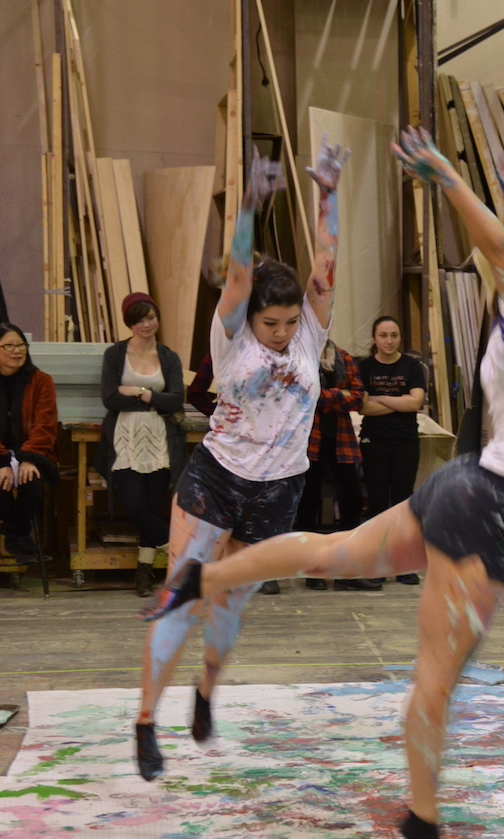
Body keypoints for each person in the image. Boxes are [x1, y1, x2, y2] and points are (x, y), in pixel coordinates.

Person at [142, 130, 504, 839]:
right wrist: (452, 178)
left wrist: (500, 195)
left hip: (461, 492)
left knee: (329, 552)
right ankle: (420, 816)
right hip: (484, 514)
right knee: (435, 681)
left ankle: (203, 581)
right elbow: (500, 251)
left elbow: (495, 252)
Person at [133, 141, 348, 781]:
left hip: (278, 492)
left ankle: (205, 689)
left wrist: (327, 193)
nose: (282, 332)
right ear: (249, 318)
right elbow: (234, 275)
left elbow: (327, 266)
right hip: (216, 479)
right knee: (180, 597)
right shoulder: (229, 341)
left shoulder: (310, 332)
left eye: (289, 322)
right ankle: (146, 721)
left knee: (227, 609)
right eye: (271, 323)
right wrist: (252, 200)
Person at [97, 293, 187, 596]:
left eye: (150, 317)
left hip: (160, 438)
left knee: (152, 505)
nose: (146, 324)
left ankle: (144, 572)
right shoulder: (115, 354)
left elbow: (177, 399)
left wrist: (140, 392)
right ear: (130, 324)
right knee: (134, 505)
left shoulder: (169, 356)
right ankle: (180, 555)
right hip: (125, 436)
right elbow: (109, 397)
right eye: (138, 320)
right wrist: (152, 398)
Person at [0, 323, 58, 560]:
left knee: (32, 481)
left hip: (30, 451)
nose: (18, 351)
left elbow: (45, 424)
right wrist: (0, 461)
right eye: (9, 346)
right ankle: (22, 534)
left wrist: (29, 458)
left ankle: (14, 533)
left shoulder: (41, 381)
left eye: (21, 345)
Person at [188, 354, 278, 597]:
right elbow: (195, 392)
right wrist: (222, 416)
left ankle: (263, 572)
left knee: (264, 507)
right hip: (229, 447)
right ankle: (229, 572)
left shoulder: (277, 356)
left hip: (267, 445)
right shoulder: (224, 351)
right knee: (229, 509)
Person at [297, 336, 373, 591]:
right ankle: (313, 570)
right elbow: (303, 396)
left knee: (351, 499)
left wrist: (324, 397)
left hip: (340, 440)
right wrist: (339, 395)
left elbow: (359, 397)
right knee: (308, 505)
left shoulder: (343, 356)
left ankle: (345, 570)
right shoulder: (300, 357)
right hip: (310, 441)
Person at [358, 315, 427, 586]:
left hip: (406, 441)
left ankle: (403, 563)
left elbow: (416, 404)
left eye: (394, 335)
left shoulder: (412, 366)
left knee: (403, 503)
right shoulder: (364, 367)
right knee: (376, 502)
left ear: (400, 338)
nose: (389, 340)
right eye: (384, 335)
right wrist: (401, 400)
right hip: (374, 441)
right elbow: (363, 407)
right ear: (374, 338)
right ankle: (376, 564)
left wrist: (379, 398)